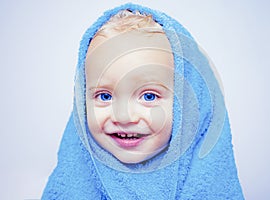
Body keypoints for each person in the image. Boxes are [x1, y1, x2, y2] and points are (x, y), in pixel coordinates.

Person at [42, 3, 244, 199]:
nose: (124, 116)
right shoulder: (71, 187)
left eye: (149, 96)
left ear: (189, 108)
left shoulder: (208, 185)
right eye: (104, 96)